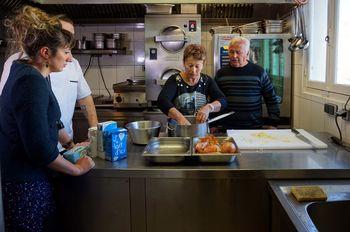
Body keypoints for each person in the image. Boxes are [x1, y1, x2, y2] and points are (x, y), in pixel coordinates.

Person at [0, 6, 95, 232]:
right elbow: (40, 148)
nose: (70, 58)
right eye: (65, 51)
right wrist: (78, 169)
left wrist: (72, 146)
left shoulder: (33, 72)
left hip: (34, 176)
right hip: (26, 183)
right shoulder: (29, 81)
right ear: (45, 52)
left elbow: (53, 119)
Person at [0, 15, 98, 151]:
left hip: (61, 147)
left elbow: (82, 99)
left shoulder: (70, 64)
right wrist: (76, 170)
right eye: (64, 36)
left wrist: (77, 142)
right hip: (29, 151)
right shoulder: (22, 69)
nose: (68, 43)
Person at [214, 37, 280, 129]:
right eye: (231, 52)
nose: (234, 56)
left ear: (247, 53)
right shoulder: (221, 74)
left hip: (254, 127)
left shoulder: (259, 72)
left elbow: (271, 99)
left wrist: (273, 123)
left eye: (238, 52)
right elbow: (214, 100)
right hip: (227, 127)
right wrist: (213, 124)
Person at [157, 44, 227, 125]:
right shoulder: (175, 80)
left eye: (197, 66)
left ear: (203, 64)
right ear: (183, 63)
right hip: (178, 129)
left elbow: (223, 100)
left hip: (201, 128)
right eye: (190, 65)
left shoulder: (207, 80)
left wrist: (209, 107)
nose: (193, 70)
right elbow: (162, 101)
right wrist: (180, 118)